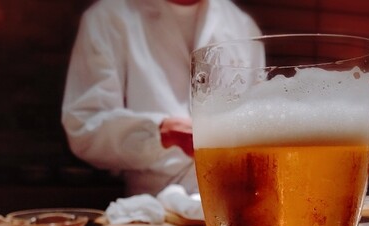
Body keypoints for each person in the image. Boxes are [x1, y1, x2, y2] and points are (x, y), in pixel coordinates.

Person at [61, 0, 261, 196]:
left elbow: (256, 124)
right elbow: (84, 128)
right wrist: (162, 132)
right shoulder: (108, 16)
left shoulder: (242, 26)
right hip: (153, 202)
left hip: (234, 196)